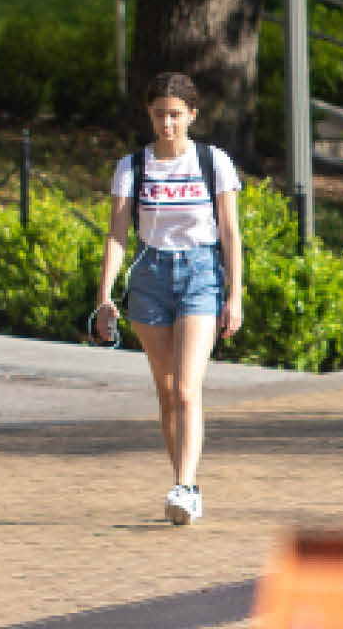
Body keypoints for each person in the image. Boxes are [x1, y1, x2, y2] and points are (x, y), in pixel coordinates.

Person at [95, 72, 246, 526]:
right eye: (160, 114)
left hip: (200, 273)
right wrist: (105, 296)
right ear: (149, 114)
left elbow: (230, 232)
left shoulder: (212, 161)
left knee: (185, 386)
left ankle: (185, 486)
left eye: (176, 115)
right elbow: (117, 234)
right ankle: (182, 480)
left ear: (192, 115)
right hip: (150, 275)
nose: (167, 124)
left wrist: (235, 294)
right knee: (165, 391)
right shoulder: (133, 167)